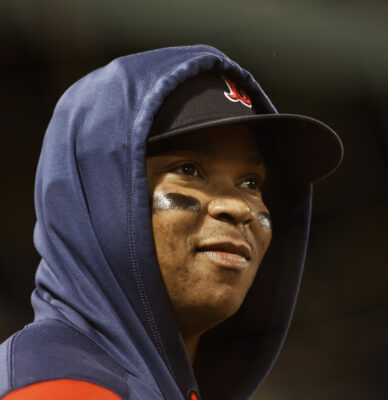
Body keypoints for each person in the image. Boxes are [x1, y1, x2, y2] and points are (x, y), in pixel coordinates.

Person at [0, 45, 343, 400]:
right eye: (188, 170)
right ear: (101, 195)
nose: (237, 207)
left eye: (251, 183)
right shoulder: (58, 389)